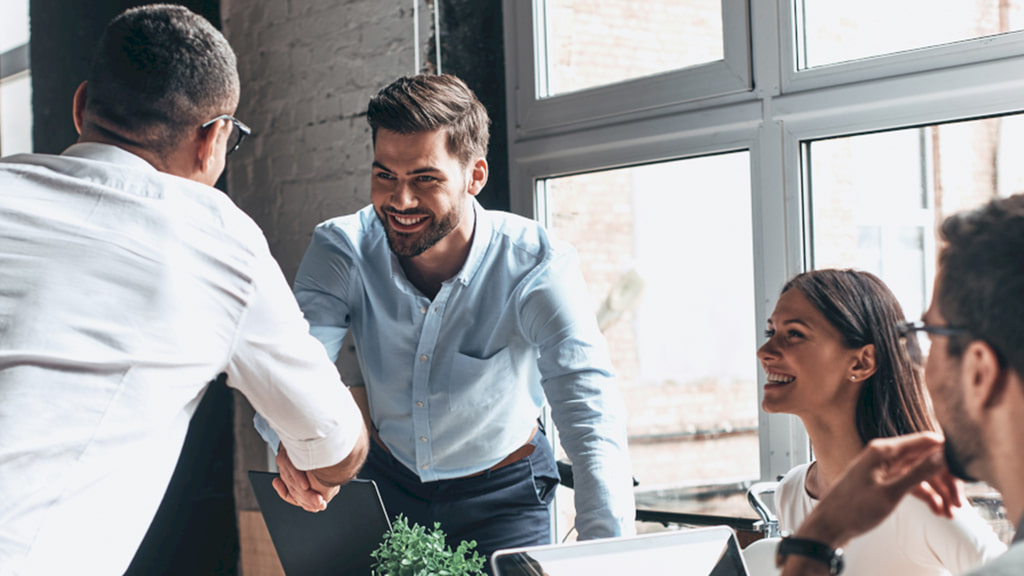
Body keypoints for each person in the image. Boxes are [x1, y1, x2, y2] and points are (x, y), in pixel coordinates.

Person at [0, 6, 367, 575]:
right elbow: (336, 447)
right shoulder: (214, 236)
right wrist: (315, 454)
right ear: (214, 138)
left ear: (80, 107)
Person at [258, 73, 636, 561]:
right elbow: (294, 367)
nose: (400, 201)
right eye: (385, 176)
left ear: (474, 176)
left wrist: (608, 556)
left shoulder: (538, 265)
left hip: (504, 495)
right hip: (387, 481)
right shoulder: (343, 247)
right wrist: (290, 444)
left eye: (425, 179)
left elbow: (589, 410)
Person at [777, 193, 1024, 576]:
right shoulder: (794, 489)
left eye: (928, 335)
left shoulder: (927, 509)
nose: (917, 362)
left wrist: (818, 540)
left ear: (980, 371)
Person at [758, 269, 1005, 575]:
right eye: (771, 333)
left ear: (861, 362)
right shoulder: (793, 491)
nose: (764, 352)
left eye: (794, 334)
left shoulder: (918, 499)